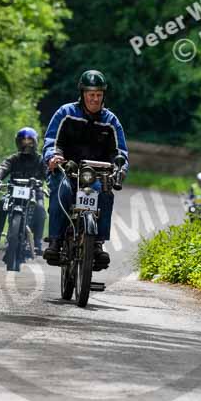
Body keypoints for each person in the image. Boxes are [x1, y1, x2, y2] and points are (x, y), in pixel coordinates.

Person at [42, 69, 129, 268]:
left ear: (103, 95)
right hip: (67, 169)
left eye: (99, 95)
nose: (95, 99)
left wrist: (120, 168)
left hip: (95, 174)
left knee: (105, 193)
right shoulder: (65, 113)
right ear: (82, 94)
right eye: (91, 95)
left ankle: (97, 244)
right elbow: (52, 141)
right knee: (61, 189)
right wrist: (53, 157)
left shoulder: (111, 121)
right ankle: (55, 241)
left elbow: (120, 152)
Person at [0, 127, 47, 255]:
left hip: (35, 191)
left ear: (35, 142)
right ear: (18, 142)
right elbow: (3, 168)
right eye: (23, 141)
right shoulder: (13, 159)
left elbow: (49, 175)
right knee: (1, 203)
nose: (26, 144)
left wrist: (54, 184)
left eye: (29, 141)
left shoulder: (41, 160)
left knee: (40, 209)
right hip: (13, 190)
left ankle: (37, 243)